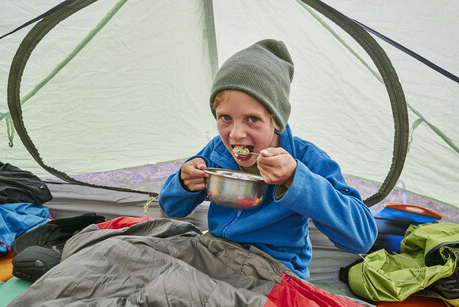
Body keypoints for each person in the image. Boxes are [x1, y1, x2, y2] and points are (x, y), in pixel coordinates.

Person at [158, 39, 378, 280]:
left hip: (274, 270)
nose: (236, 134)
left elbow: (362, 237)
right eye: (225, 118)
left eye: (252, 119)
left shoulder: (305, 157)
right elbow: (171, 207)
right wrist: (183, 182)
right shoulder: (217, 150)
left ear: (276, 120)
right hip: (217, 254)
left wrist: (296, 178)